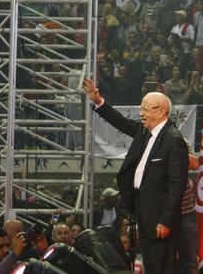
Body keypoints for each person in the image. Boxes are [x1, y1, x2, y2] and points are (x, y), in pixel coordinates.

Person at [83, 78, 188, 273]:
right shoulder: (144, 132)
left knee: (162, 265)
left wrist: (166, 220)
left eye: (145, 109)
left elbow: (177, 185)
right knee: (151, 264)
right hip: (142, 208)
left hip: (160, 215)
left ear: (161, 111)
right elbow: (121, 122)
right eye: (141, 109)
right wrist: (98, 101)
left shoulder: (173, 140)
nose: (141, 114)